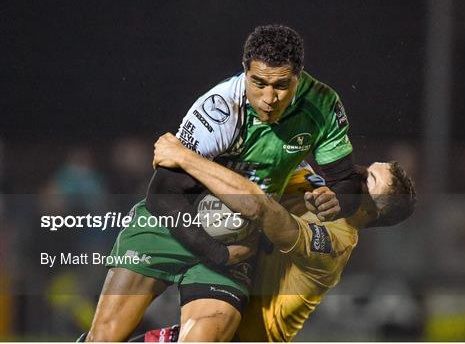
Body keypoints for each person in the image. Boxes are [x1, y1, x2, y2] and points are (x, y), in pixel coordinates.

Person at [85, 25, 362, 341]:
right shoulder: (220, 108)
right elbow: (161, 195)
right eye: (258, 83)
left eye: (281, 85)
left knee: (206, 338)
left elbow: (346, 183)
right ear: (246, 72)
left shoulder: (323, 105)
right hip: (171, 225)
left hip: (235, 237)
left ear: (299, 76)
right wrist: (215, 252)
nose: (269, 98)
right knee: (104, 338)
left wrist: (338, 199)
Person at [147, 131, 416, 341]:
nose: (357, 170)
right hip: (217, 319)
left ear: (371, 212)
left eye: (369, 179)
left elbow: (264, 212)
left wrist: (184, 157)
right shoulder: (320, 193)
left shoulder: (335, 244)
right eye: (367, 167)